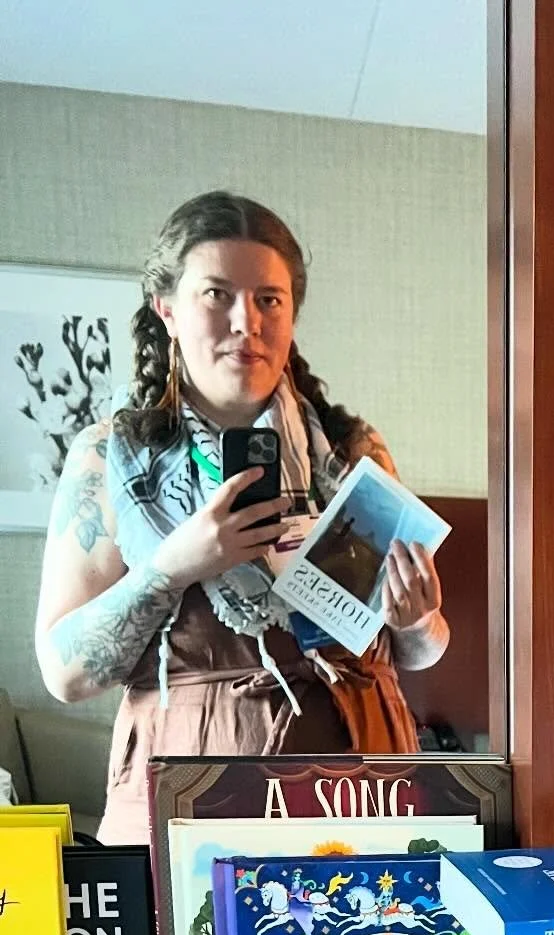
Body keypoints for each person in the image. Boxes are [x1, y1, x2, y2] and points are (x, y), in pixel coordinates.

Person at [33, 191, 450, 844]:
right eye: (217, 294)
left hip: (361, 789)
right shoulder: (109, 459)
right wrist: (175, 565)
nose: (246, 322)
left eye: (268, 300)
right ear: (166, 307)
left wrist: (416, 618)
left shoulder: (349, 452)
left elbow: (417, 653)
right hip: (192, 805)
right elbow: (63, 674)